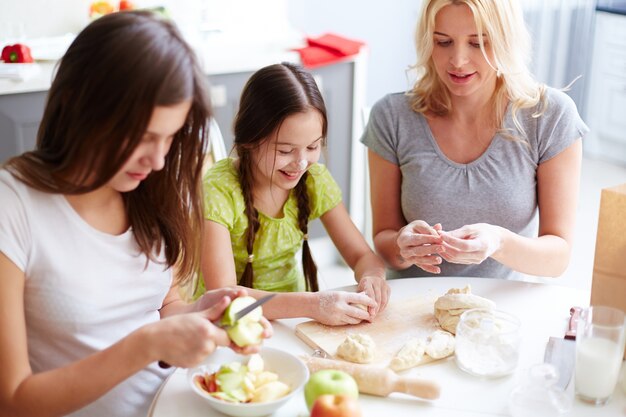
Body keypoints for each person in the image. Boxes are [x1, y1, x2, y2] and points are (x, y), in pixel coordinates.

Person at [0, 11, 270, 417]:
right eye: (143, 138)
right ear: (82, 107)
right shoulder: (14, 206)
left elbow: (165, 306)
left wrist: (203, 313)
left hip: (174, 404)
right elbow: (14, 400)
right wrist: (149, 344)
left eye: (169, 138)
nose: (159, 160)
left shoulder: (146, 192)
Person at [362, 0, 588, 279]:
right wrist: (402, 246)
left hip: (503, 311)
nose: (457, 60)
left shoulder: (550, 116)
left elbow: (558, 257)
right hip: (412, 306)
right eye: (443, 42)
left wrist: (498, 242)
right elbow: (384, 241)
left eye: (479, 43)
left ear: (506, 40)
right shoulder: (391, 116)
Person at [200, 62, 390, 325]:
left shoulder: (314, 180)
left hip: (292, 322)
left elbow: (362, 256)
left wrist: (373, 277)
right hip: (226, 325)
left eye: (313, 146)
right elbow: (223, 298)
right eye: (285, 151)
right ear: (249, 139)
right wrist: (313, 304)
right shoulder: (219, 190)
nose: (301, 163)